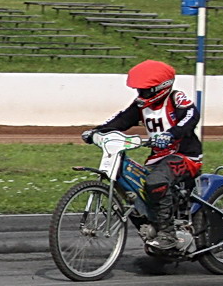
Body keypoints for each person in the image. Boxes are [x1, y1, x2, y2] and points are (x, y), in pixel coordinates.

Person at [81, 60, 202, 250]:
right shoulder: (141, 104)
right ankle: (153, 227)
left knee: (156, 182)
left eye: (145, 91)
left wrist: (171, 134)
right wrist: (96, 131)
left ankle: (168, 235)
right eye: (139, 90)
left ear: (161, 88)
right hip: (158, 157)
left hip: (185, 156)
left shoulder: (175, 98)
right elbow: (121, 120)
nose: (140, 95)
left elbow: (190, 116)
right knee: (135, 186)